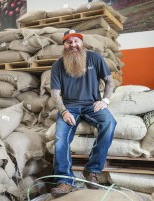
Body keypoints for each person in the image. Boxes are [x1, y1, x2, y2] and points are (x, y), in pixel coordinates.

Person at [50, 29, 117, 198]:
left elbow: (109, 81)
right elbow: (55, 94)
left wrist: (105, 101)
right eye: (68, 42)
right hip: (70, 107)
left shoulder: (95, 58)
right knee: (60, 138)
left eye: (76, 41)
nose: (73, 45)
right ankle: (65, 181)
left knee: (109, 123)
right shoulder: (58, 65)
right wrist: (64, 111)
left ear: (81, 42)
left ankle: (92, 171)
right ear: (64, 45)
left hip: (92, 105)